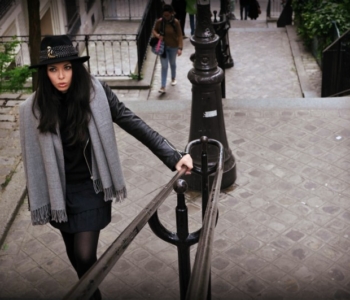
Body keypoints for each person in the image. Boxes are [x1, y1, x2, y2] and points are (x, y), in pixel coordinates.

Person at [19, 35, 193, 300]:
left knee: (85, 256)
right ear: (45, 73)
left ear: (76, 68)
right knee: (76, 261)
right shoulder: (33, 108)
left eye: (67, 67)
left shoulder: (96, 94)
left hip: (92, 187)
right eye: (53, 70)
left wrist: (172, 155)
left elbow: (132, 122)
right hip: (60, 193)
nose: (61, 76)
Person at [152, 4, 183, 94]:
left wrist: (180, 48)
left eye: (167, 15)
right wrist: (157, 35)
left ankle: (173, 77)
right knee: (164, 66)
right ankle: (163, 86)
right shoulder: (160, 22)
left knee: (172, 63)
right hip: (163, 48)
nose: (166, 17)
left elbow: (180, 35)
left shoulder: (176, 22)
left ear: (171, 13)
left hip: (174, 46)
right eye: (164, 15)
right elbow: (154, 30)